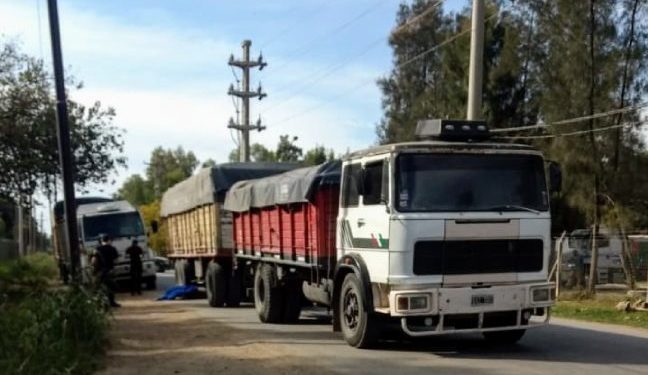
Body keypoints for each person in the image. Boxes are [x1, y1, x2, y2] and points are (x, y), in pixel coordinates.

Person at [93, 234, 121, 307]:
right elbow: (116, 260)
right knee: (111, 287)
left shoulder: (97, 249)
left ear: (101, 241)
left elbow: (93, 261)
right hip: (110, 270)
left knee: (100, 287)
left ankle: (101, 303)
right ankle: (111, 302)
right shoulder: (112, 248)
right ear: (109, 240)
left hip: (100, 271)